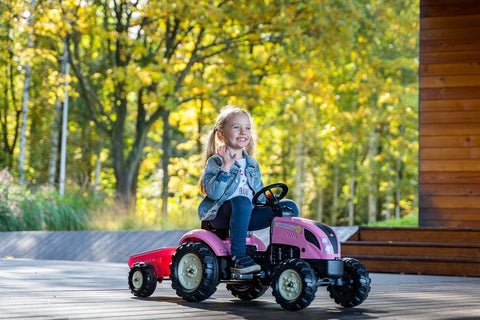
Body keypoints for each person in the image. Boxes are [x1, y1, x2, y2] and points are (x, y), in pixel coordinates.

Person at [198, 106, 298, 274]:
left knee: (288, 207)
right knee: (242, 201)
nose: (243, 132)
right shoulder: (216, 161)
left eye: (247, 128)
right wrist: (226, 168)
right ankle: (238, 257)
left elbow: (258, 194)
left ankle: (278, 255)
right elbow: (213, 193)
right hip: (221, 216)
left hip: (247, 214)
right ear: (221, 135)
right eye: (236, 127)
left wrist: (270, 202)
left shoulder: (252, 164)